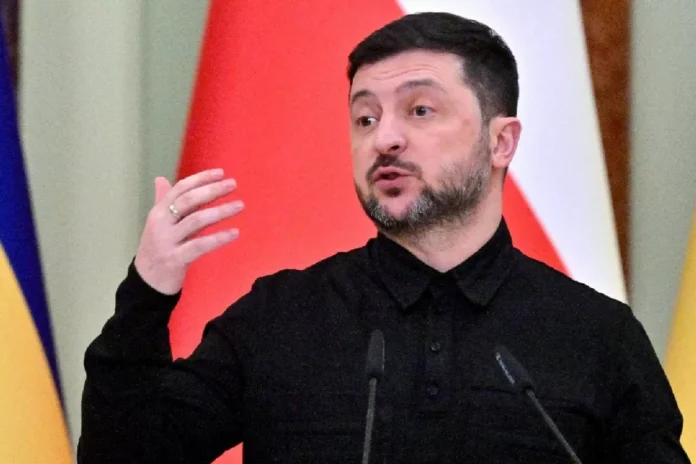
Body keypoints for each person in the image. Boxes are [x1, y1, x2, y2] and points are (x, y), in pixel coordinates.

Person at [77, 12, 689, 464]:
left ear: (501, 141)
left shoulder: (596, 337)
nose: (385, 139)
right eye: (365, 117)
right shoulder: (279, 320)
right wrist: (148, 291)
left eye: (420, 110)